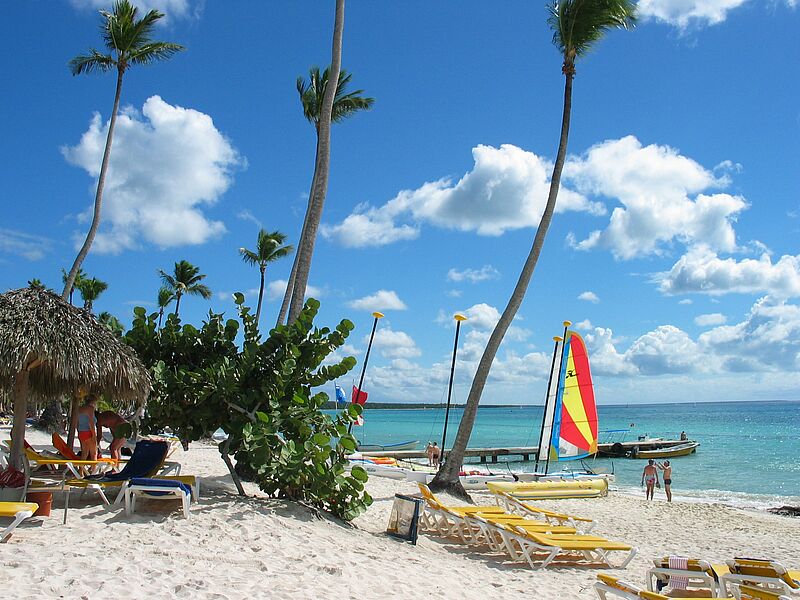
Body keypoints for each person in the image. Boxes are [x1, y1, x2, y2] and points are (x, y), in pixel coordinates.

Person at [76, 394, 98, 469]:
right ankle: (93, 472)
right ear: (93, 402)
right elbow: (91, 423)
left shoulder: (79, 409)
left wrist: (79, 432)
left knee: (84, 454)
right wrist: (94, 436)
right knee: (94, 453)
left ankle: (81, 472)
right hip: (88, 432)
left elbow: (77, 423)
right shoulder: (90, 409)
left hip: (81, 432)